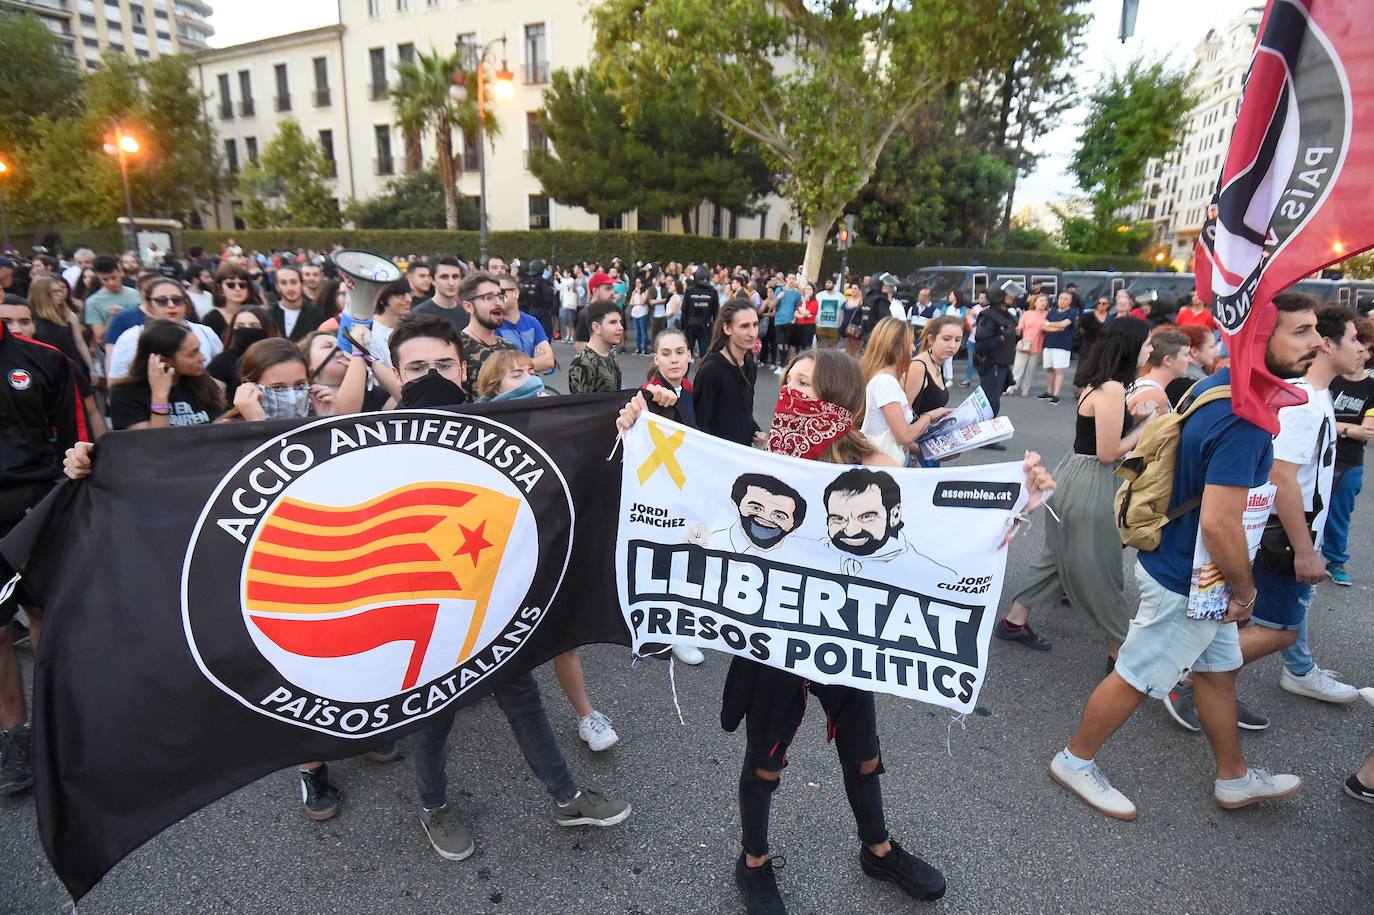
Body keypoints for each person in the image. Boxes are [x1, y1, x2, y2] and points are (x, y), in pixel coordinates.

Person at [616, 348, 1053, 914]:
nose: (792, 395)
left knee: (863, 751)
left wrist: (1018, 505)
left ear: (842, 401)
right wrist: (637, 429)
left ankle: (878, 848)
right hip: (774, 635)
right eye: (789, 383)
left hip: (845, 633)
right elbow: (685, 482)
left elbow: (944, 533)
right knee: (765, 757)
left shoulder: (877, 464)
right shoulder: (764, 453)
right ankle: (753, 862)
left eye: (808, 386)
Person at [1049, 293, 1322, 821]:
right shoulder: (1244, 416)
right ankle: (1075, 760)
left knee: (1218, 672)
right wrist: (1245, 590)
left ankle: (1235, 777)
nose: (1316, 341)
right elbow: (1221, 522)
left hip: (1192, 571)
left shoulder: (1218, 388)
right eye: (1302, 331)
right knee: (1135, 674)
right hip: (1190, 576)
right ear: (1261, 340)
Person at [998, 318, 1155, 658]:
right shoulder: (1112, 388)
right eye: (1147, 343)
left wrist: (1137, 421)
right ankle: (1120, 651)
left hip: (1075, 473)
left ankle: (1014, 620)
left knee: (1058, 555)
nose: (1151, 350)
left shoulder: (1102, 384)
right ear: (1130, 347)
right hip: (1093, 481)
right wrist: (1148, 428)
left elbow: (1099, 437)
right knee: (1101, 567)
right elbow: (1107, 452)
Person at [1234, 305, 1363, 709]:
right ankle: (1190, 679)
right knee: (1279, 626)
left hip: (1295, 530)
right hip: (1285, 534)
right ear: (1327, 344)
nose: (1363, 349)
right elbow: (1281, 477)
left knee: (1287, 613)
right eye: (1355, 339)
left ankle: (1301, 669)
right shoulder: (1303, 400)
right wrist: (1305, 551)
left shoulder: (1317, 395)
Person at [0, 308, 88, 795]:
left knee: (44, 616)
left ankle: (58, 728)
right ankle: (15, 737)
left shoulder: (44, 359)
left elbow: (77, 438)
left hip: (37, 512)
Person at [855, 318, 951, 465]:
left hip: (889, 464)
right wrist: (929, 416)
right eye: (910, 343)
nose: (913, 348)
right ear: (895, 346)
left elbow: (898, 438)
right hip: (885, 468)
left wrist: (933, 451)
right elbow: (904, 436)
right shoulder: (885, 382)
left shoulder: (887, 379)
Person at [1321, 320, 1374, 586]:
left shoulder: (1371, 387)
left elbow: (1367, 430)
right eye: (1354, 345)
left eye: (1362, 348)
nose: (1359, 353)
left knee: (1339, 515)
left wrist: (1337, 427)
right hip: (1319, 458)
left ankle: (1336, 561)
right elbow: (1318, 417)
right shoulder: (1329, 379)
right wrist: (1346, 429)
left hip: (1350, 462)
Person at [108, 319, 225, 430]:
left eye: (199, 349)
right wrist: (159, 397)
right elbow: (154, 443)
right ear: (164, 360)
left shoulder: (201, 382)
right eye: (193, 353)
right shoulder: (125, 393)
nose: (203, 358)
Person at [107, 278, 225, 380]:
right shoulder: (132, 337)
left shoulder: (205, 332)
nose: (171, 305)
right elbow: (117, 381)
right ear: (149, 306)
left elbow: (221, 372)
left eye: (177, 300)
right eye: (162, 301)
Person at [694, 298, 762, 447]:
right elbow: (701, 423)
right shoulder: (710, 371)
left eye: (755, 325)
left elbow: (743, 411)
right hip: (717, 457)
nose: (752, 333)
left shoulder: (750, 365)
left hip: (742, 452)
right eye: (745, 326)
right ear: (727, 329)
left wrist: (755, 431)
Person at [905, 316, 964, 466]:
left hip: (929, 443)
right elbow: (904, 414)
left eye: (958, 340)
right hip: (915, 450)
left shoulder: (937, 363)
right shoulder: (918, 366)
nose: (952, 345)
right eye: (946, 339)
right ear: (931, 339)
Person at [456, 272, 517, 400]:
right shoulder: (456, 349)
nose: (498, 303)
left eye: (500, 296)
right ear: (468, 307)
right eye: (488, 297)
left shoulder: (510, 348)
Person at [207, 305, 278, 392]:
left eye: (254, 326)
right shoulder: (222, 361)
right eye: (240, 326)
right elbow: (213, 398)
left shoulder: (280, 358)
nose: (246, 330)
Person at [974, 286, 1018, 422]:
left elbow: (1010, 337)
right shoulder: (988, 316)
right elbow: (980, 344)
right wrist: (1001, 338)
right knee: (990, 401)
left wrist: (1016, 335)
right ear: (999, 297)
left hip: (1003, 363)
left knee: (994, 398)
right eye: (1008, 295)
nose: (1012, 297)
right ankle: (987, 438)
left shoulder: (1007, 315)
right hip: (992, 364)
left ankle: (988, 436)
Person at [495, 273, 554, 373]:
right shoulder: (492, 326)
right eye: (492, 295)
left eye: (501, 292)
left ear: (516, 293)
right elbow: (501, 368)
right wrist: (534, 363)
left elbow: (549, 360)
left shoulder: (532, 322)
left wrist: (517, 367)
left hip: (533, 386)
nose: (496, 298)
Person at [1126, 329, 1192, 418]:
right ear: (1168, 360)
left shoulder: (1143, 383)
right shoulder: (1155, 395)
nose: (1190, 360)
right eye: (1186, 355)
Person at [83, 254, 141, 346]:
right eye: (105, 279)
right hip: (113, 348)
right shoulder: (93, 302)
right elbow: (99, 338)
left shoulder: (136, 293)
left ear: (120, 271)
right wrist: (111, 318)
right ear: (98, 277)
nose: (111, 282)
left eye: (114, 277)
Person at [567, 302, 624, 395]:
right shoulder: (582, 363)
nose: (620, 327)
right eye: (613, 322)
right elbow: (581, 406)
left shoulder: (611, 353)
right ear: (596, 327)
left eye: (620, 322)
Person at [1166, 323, 1222, 408]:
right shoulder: (1196, 381)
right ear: (1194, 351)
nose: (1216, 350)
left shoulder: (1175, 373)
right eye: (1211, 347)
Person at [1037, 291, 1078, 404]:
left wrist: (1050, 324)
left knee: (1059, 370)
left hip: (1062, 345)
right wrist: (1055, 326)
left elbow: (1064, 325)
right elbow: (1043, 326)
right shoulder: (1052, 312)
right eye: (1061, 298)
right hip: (1049, 343)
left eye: (1065, 299)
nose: (1062, 300)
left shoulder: (1072, 312)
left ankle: (1056, 394)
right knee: (1049, 369)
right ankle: (1049, 392)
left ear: (1070, 301)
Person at [266, 264, 323, 342]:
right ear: (277, 287)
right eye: (283, 283)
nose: (290, 288)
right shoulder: (269, 314)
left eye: (294, 282)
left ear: (302, 284)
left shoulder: (316, 314)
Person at [411, 255, 468, 333]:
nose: (451, 283)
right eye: (444, 277)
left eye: (455, 277)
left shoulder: (467, 313)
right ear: (432, 280)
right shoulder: (419, 314)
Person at [368, 278, 414, 369]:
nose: (408, 299)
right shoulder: (371, 331)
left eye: (409, 294)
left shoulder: (411, 327)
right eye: (400, 295)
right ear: (382, 299)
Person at [1012, 294, 1049, 397]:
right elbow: (1020, 327)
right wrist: (1018, 334)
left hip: (1038, 345)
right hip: (1025, 343)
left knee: (1030, 369)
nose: (1043, 303)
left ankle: (1025, 389)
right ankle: (1012, 387)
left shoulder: (1048, 314)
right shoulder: (1027, 313)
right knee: (1018, 367)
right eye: (1041, 301)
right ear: (1035, 302)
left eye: (1045, 301)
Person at [1074, 296, 1113, 391]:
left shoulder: (1110, 318)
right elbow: (1082, 329)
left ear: (1108, 305)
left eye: (1104, 303)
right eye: (1099, 303)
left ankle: (1094, 386)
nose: (1101, 305)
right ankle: (1081, 387)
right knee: (1084, 366)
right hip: (1088, 343)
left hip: (1103, 346)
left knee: (1098, 366)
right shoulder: (1088, 316)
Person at [682, 266, 721, 358]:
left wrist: (683, 326)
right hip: (705, 326)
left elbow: (684, 310)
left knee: (687, 354)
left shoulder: (689, 291)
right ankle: (704, 371)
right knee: (704, 355)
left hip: (691, 325)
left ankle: (683, 372)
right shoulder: (712, 291)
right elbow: (716, 312)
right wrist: (715, 327)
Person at [839, 285, 867, 358]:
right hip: (845, 327)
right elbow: (842, 313)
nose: (853, 290)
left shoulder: (863, 302)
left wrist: (863, 326)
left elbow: (865, 316)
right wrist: (840, 325)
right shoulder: (846, 301)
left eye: (855, 288)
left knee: (856, 351)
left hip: (856, 328)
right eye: (852, 288)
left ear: (860, 290)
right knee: (847, 350)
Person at [793, 282, 818, 352]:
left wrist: (804, 302)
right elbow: (796, 313)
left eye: (809, 289)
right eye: (806, 289)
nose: (807, 291)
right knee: (800, 345)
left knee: (807, 346)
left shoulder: (814, 303)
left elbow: (805, 312)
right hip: (800, 324)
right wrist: (803, 315)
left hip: (809, 325)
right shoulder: (801, 302)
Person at [628, 277, 650, 355]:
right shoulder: (634, 291)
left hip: (642, 313)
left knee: (643, 331)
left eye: (639, 283)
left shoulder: (645, 291)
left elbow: (642, 301)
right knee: (637, 332)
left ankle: (645, 348)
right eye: (636, 283)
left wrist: (639, 293)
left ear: (642, 284)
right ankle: (638, 348)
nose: (637, 284)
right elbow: (630, 302)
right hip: (635, 313)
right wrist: (635, 294)